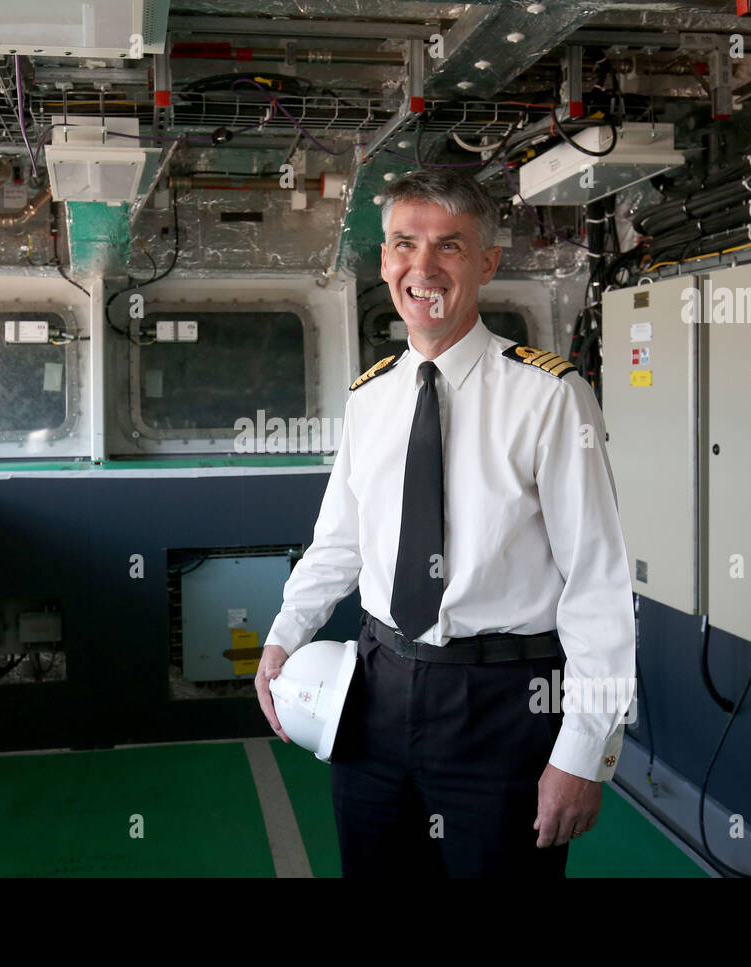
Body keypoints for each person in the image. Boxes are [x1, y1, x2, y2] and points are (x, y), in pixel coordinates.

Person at [254, 168, 636, 877]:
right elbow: (339, 542)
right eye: (404, 244)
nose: (422, 267)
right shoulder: (372, 397)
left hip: (504, 706)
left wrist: (587, 752)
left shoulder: (550, 396)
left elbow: (599, 583)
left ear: (487, 262)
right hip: (375, 692)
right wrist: (284, 635)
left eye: (449, 247)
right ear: (384, 262)